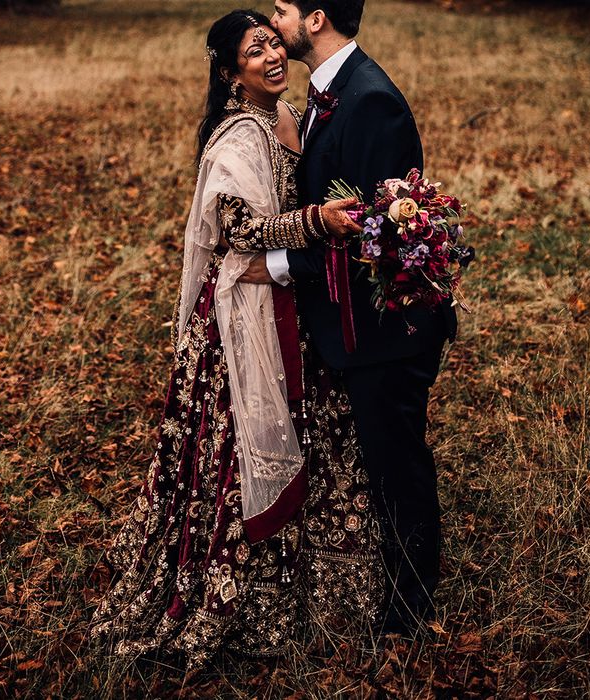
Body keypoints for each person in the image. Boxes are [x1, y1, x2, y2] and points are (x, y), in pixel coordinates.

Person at [90, 10, 383, 670]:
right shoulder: (236, 138)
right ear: (231, 73)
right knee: (233, 452)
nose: (273, 56)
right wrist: (316, 222)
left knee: (313, 434)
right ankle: (232, 588)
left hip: (288, 301)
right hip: (237, 322)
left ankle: (317, 583)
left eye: (274, 42)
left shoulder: (294, 116)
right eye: (256, 52)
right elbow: (243, 232)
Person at [244, 0, 458, 636]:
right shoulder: (329, 92)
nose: (274, 21)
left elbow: (373, 232)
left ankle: (410, 607)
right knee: (381, 457)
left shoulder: (368, 99)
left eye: (283, 9)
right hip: (357, 326)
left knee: (398, 462)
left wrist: (279, 264)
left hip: (388, 330)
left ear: (314, 20)